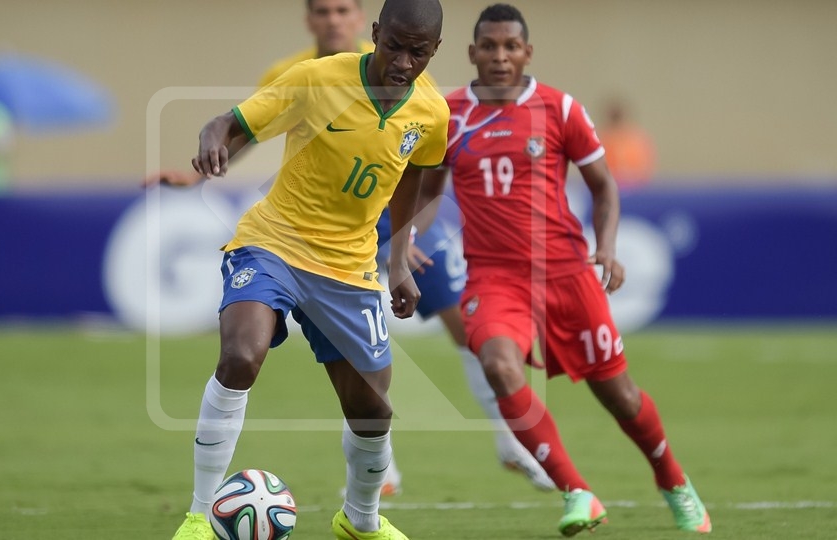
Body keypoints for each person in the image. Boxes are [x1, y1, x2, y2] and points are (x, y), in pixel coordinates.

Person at [149, 0, 554, 494]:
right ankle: (384, 474)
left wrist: (404, 247)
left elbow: (418, 174)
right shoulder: (302, 74)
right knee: (292, 367)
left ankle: (510, 442)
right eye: (323, 11)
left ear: (361, 20)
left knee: (464, 330)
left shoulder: (421, 96)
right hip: (305, 223)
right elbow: (246, 128)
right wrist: (198, 174)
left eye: (342, 10)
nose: (333, 19)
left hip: (387, 223)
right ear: (314, 21)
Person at [418, 4, 711, 536]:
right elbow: (426, 193)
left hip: (566, 273)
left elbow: (603, 186)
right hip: (494, 278)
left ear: (527, 52)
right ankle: (577, 491)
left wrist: (607, 248)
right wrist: (406, 244)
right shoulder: (448, 115)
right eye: (490, 46)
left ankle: (673, 480)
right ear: (472, 52)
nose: (500, 56)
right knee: (498, 365)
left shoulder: (560, 109)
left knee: (619, 395)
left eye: (511, 46)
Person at [168, 1, 447, 539]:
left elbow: (413, 175)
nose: (403, 62)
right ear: (375, 33)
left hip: (348, 266)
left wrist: (397, 263)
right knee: (240, 357)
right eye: (393, 46)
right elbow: (230, 122)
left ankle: (360, 521)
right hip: (273, 243)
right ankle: (199, 516)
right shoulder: (317, 79)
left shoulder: (431, 113)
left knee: (373, 410)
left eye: (418, 52)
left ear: (434, 50)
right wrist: (211, 139)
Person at [599, 95, 657, 190]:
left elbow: (645, 168)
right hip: (610, 187)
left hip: (636, 188)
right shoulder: (603, 139)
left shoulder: (636, 140)